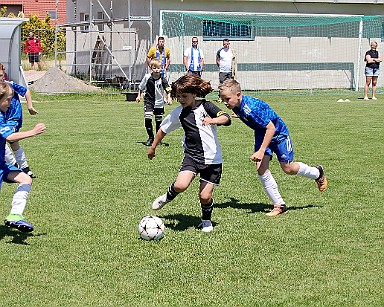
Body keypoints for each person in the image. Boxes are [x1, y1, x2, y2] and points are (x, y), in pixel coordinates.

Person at [219, 79, 328, 217]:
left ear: (238, 95)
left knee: (287, 168)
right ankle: (279, 205)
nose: (225, 102)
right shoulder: (235, 105)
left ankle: (317, 172)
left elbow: (271, 127)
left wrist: (261, 150)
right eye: (222, 99)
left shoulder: (251, 108)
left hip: (278, 134)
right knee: (261, 168)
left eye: (227, 99)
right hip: (261, 133)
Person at [148, 74, 231, 232]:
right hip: (192, 156)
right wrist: (153, 147)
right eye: (178, 96)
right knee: (181, 185)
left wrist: (212, 120)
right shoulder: (179, 113)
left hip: (213, 159)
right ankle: (167, 197)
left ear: (194, 93)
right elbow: (163, 130)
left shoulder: (207, 107)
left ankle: (206, 221)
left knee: (205, 196)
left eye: (184, 96)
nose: (181, 100)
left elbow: (226, 118)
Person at [0, 82, 46, 232]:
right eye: (8, 99)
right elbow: (10, 136)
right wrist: (33, 132)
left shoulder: (3, 114)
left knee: (26, 179)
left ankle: (15, 215)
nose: (11, 102)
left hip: (2, 164)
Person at [0, 65, 39, 177]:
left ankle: (24, 168)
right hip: (3, 118)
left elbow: (25, 91)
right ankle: (15, 166)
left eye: (1, 76)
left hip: (13, 118)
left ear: (4, 74)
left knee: (12, 141)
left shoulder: (9, 84)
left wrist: (30, 106)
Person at [136, 58, 172, 146]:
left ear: (161, 68)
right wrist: (138, 96)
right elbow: (141, 87)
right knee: (148, 118)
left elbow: (168, 89)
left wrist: (169, 98)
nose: (156, 69)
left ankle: (158, 139)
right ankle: (150, 137)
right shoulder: (147, 77)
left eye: (158, 68)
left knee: (158, 121)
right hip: (149, 101)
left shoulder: (163, 78)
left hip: (159, 102)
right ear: (151, 68)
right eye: (154, 68)